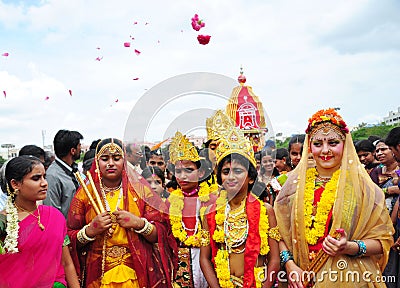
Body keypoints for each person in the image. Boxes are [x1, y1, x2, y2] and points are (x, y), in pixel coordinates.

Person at [274, 108, 394, 287]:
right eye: (317, 144)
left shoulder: (363, 188)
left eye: (332, 142)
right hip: (301, 277)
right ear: (309, 147)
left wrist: (350, 247)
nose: (325, 151)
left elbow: (383, 240)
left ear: (345, 145)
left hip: (349, 278)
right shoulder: (294, 186)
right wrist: (290, 265)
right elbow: (280, 232)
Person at [67, 138, 176, 288]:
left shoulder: (141, 190)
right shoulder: (85, 194)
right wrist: (90, 231)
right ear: (97, 162)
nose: (110, 163)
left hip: (137, 273)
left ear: (124, 161)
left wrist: (139, 224)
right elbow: (68, 239)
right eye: (105, 159)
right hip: (97, 274)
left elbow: (161, 233)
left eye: (116, 158)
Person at [200, 125, 280, 288]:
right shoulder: (210, 212)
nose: (231, 177)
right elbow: (204, 259)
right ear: (219, 177)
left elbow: (274, 260)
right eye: (226, 171)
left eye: (237, 171)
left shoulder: (266, 211)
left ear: (250, 178)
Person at [0, 155, 79, 288]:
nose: (44, 183)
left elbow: (67, 263)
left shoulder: (54, 216)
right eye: (36, 178)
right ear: (15, 184)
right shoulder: (4, 222)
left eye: (44, 177)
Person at [167, 131, 218, 288]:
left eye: (189, 170)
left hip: (209, 259)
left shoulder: (212, 200)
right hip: (180, 263)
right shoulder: (169, 203)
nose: (183, 176)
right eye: (178, 171)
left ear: (201, 172)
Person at [43, 129, 84, 218]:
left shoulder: (74, 170)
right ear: (73, 151)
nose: (81, 149)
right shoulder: (52, 176)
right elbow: (52, 212)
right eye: (79, 146)